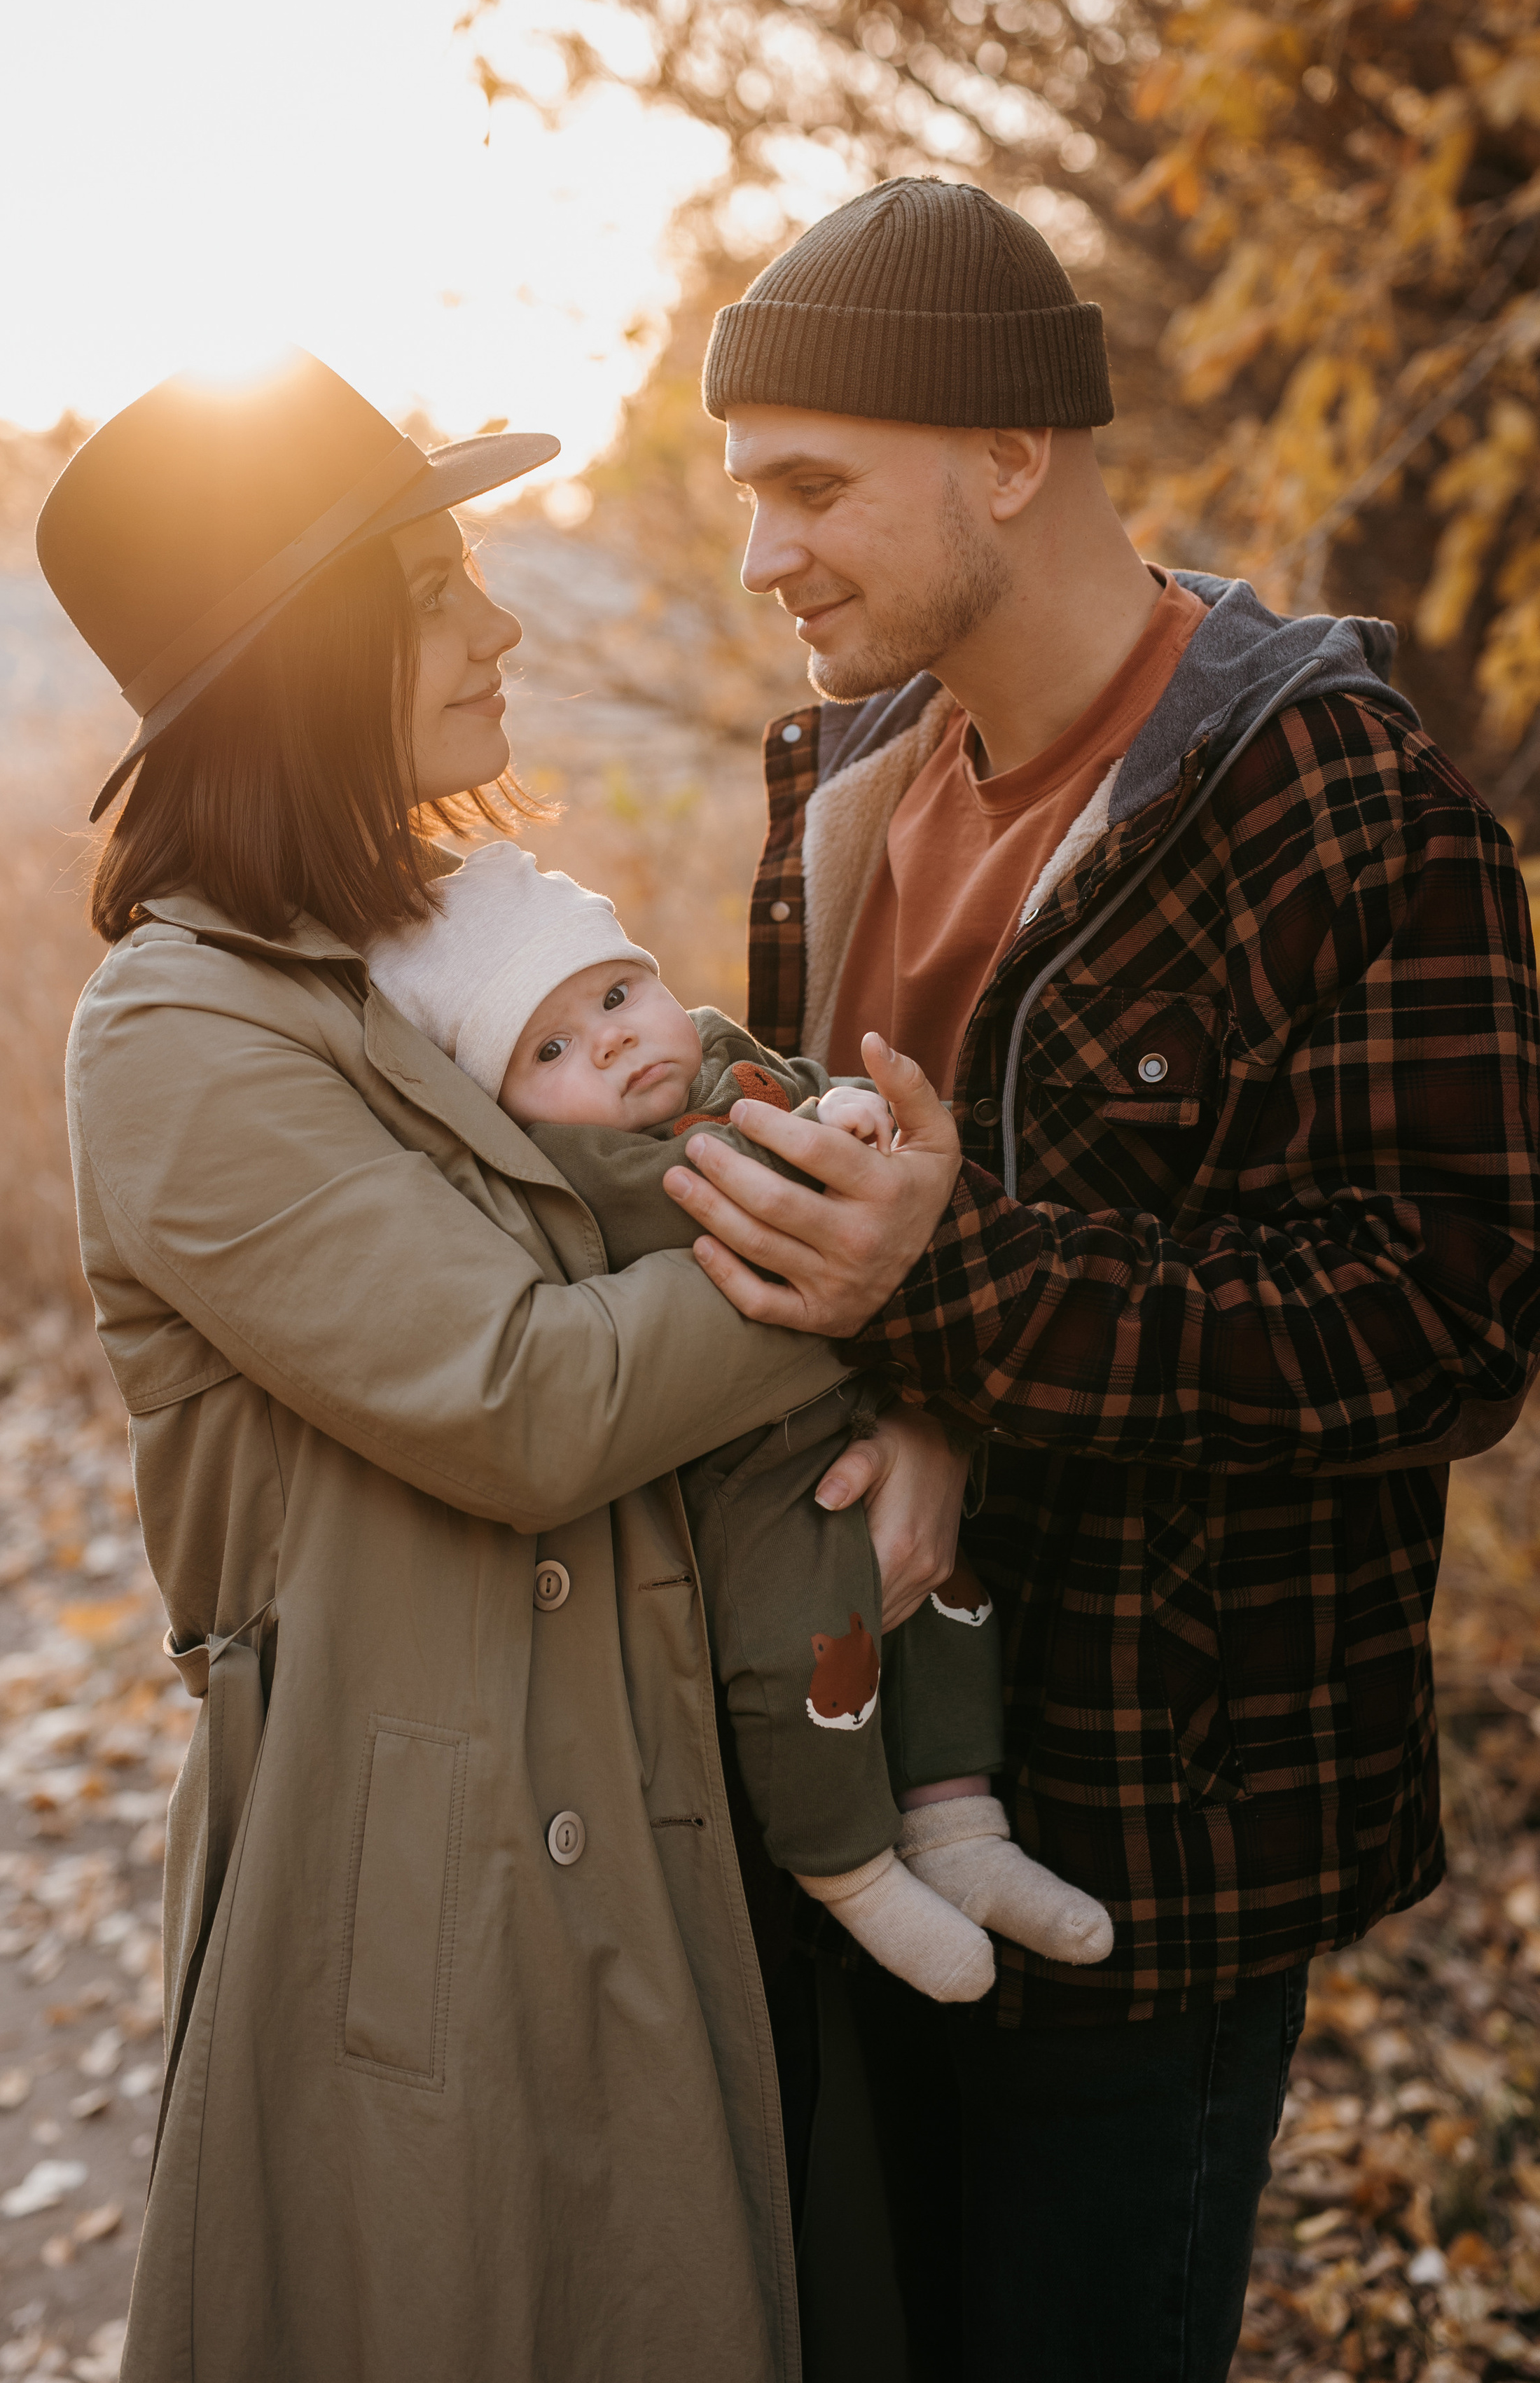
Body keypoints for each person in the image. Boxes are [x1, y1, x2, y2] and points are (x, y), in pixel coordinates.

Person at [659, 178, 1540, 2382]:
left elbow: (1448, 1328)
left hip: (1154, 1820)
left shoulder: (1340, 804)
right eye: (745, 493)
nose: (761, 556)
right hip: (841, 1768)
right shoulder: (849, 782)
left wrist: (956, 1286)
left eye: (808, 487)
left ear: (1011, 455)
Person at [36, 349, 967, 2383]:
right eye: (433, 587)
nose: (500, 623)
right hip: (420, 1918)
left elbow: (660, 1224)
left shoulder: (456, 940)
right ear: (307, 655)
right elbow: (527, 1402)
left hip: (656, 1826)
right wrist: (857, 1236)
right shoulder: (182, 1033)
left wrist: (902, 1393)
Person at [361, 836, 1114, 2001]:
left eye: (617, 994)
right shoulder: (578, 1173)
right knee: (806, 1651)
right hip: (750, 1472)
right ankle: (850, 1865)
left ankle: (961, 1828)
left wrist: (853, 1114)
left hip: (862, 1409)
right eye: (551, 1047)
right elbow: (716, 1232)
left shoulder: (724, 1059)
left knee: (955, 1601)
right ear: (502, 1103)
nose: (610, 1040)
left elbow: (811, 1097)